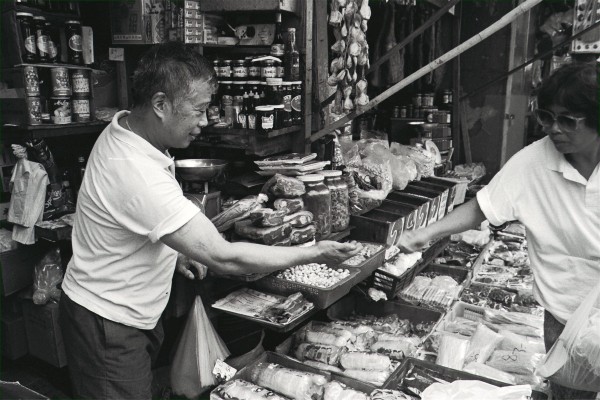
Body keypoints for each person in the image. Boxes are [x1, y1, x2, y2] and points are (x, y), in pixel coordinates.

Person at [59, 42, 361, 399]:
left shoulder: (132, 129)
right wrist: (314, 253)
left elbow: (137, 221)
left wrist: (178, 250)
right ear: (159, 105)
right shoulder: (133, 169)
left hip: (130, 310)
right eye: (199, 111)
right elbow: (225, 256)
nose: (205, 122)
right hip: (109, 322)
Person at [398, 61, 599, 400]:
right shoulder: (533, 162)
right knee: (570, 394)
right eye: (546, 117)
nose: (553, 129)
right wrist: (426, 232)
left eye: (567, 120)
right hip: (564, 315)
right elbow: (482, 207)